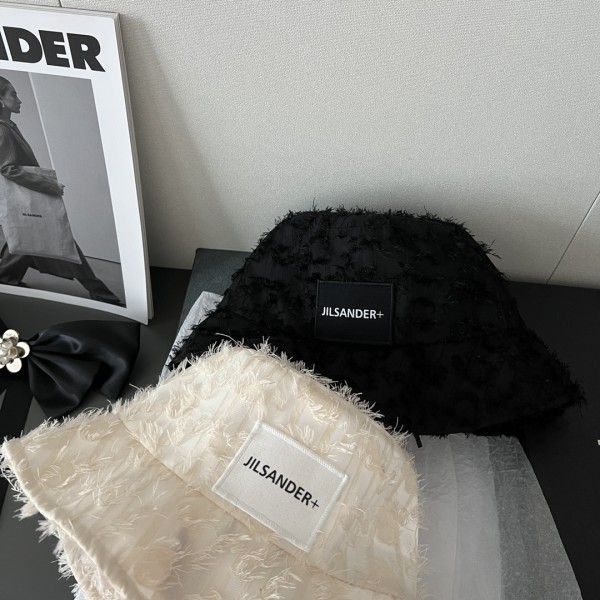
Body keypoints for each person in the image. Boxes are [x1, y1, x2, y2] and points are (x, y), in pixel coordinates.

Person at [0, 75, 123, 306]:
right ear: (1, 101)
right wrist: (49, 185)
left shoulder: (9, 127)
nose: (19, 99)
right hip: (28, 200)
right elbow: (7, 168)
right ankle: (100, 292)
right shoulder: (3, 129)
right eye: (13, 94)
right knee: (61, 240)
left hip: (26, 204)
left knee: (21, 241)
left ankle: (5, 278)